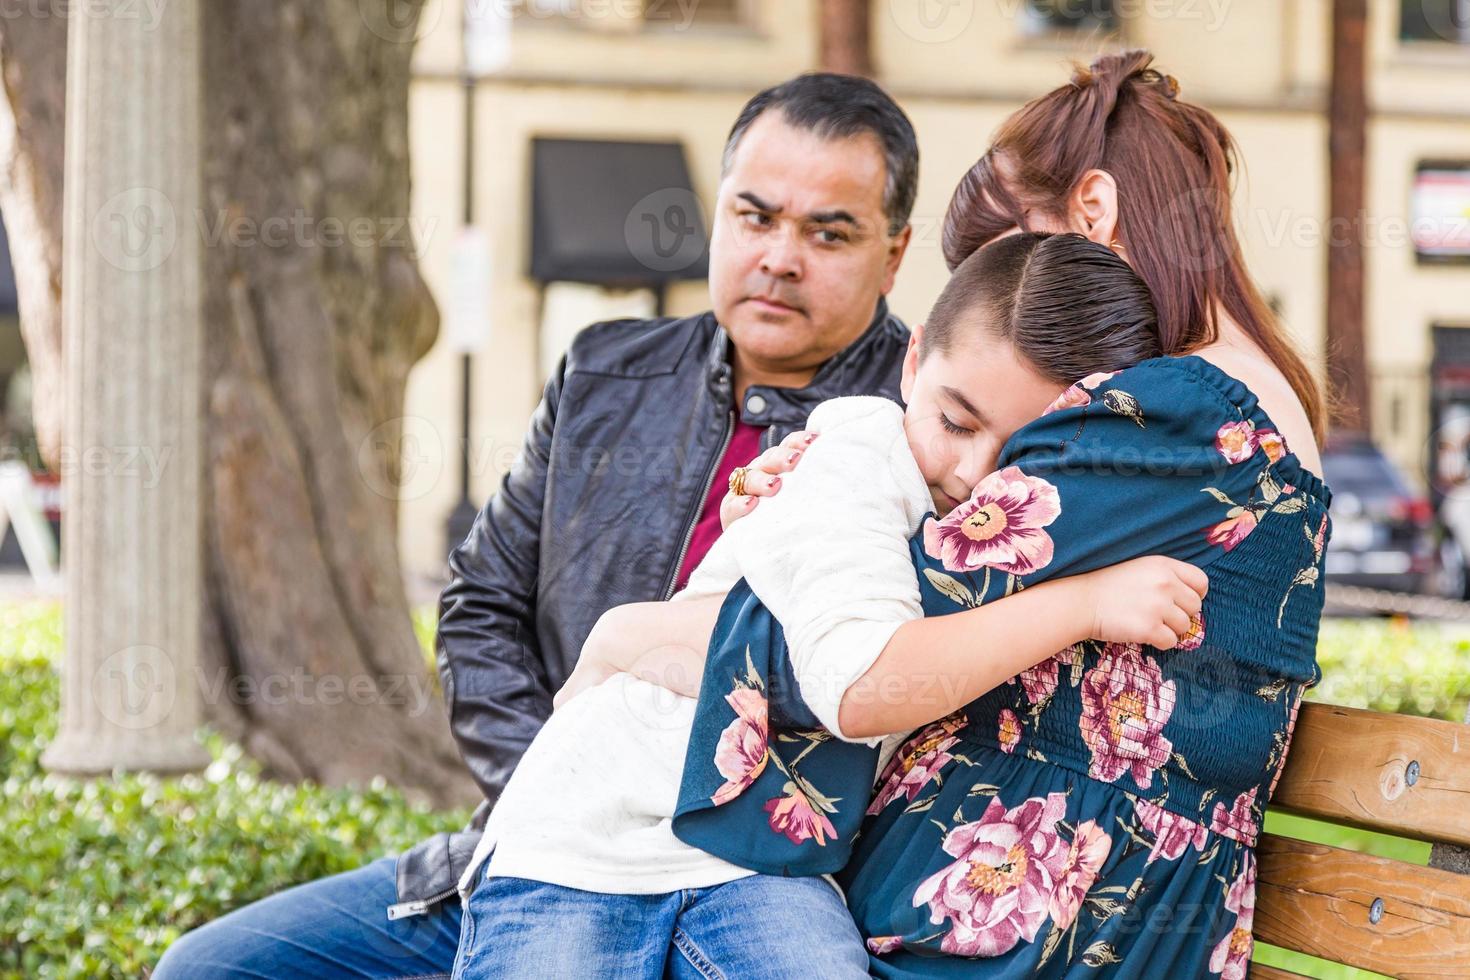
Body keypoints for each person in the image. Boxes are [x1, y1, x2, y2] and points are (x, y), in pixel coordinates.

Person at [153, 71, 920, 979]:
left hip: (759, 875)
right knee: (212, 969)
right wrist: (552, 798)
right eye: (754, 217)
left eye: (828, 233)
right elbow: (481, 602)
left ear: (894, 253)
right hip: (542, 851)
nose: (780, 256)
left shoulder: (918, 430)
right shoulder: (605, 371)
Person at [668, 50, 1332, 976]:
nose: (1016, 318)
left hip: (1003, 936)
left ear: (1092, 214)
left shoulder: (1175, 412)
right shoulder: (1221, 403)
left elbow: (865, 642)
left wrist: (803, 515)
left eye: (1023, 260)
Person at [450, 232, 1206, 979]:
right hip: (593, 833)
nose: (976, 472)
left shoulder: (1034, 525)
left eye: (1023, 453)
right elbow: (861, 684)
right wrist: (1089, 605)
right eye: (954, 421)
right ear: (912, 364)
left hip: (765, 860)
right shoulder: (853, 460)